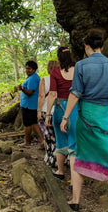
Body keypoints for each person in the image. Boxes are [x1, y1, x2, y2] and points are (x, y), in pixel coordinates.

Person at [60, 29, 108, 212]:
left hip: (86, 118)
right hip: (107, 120)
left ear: (87, 46)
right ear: (102, 46)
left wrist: (65, 117)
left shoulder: (81, 65)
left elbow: (75, 94)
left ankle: (75, 200)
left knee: (79, 156)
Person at [46, 46, 77, 181]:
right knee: (74, 142)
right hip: (75, 108)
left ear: (58, 58)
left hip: (60, 108)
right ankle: (75, 179)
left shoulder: (55, 72)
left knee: (60, 140)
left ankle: (60, 171)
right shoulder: (78, 70)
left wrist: (47, 114)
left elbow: (52, 94)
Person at [15, 60, 44, 148]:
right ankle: (42, 141)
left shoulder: (33, 78)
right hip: (30, 105)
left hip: (29, 105)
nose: (27, 70)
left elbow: (30, 92)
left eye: (30, 69)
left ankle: (27, 143)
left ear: (34, 69)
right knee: (34, 123)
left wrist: (22, 89)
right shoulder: (32, 77)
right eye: (26, 68)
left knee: (27, 124)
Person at [37, 60, 59, 163]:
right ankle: (63, 159)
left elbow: (41, 96)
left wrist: (39, 111)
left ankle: (51, 158)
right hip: (59, 111)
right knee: (59, 137)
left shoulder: (44, 80)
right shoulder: (63, 79)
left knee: (47, 136)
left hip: (46, 111)